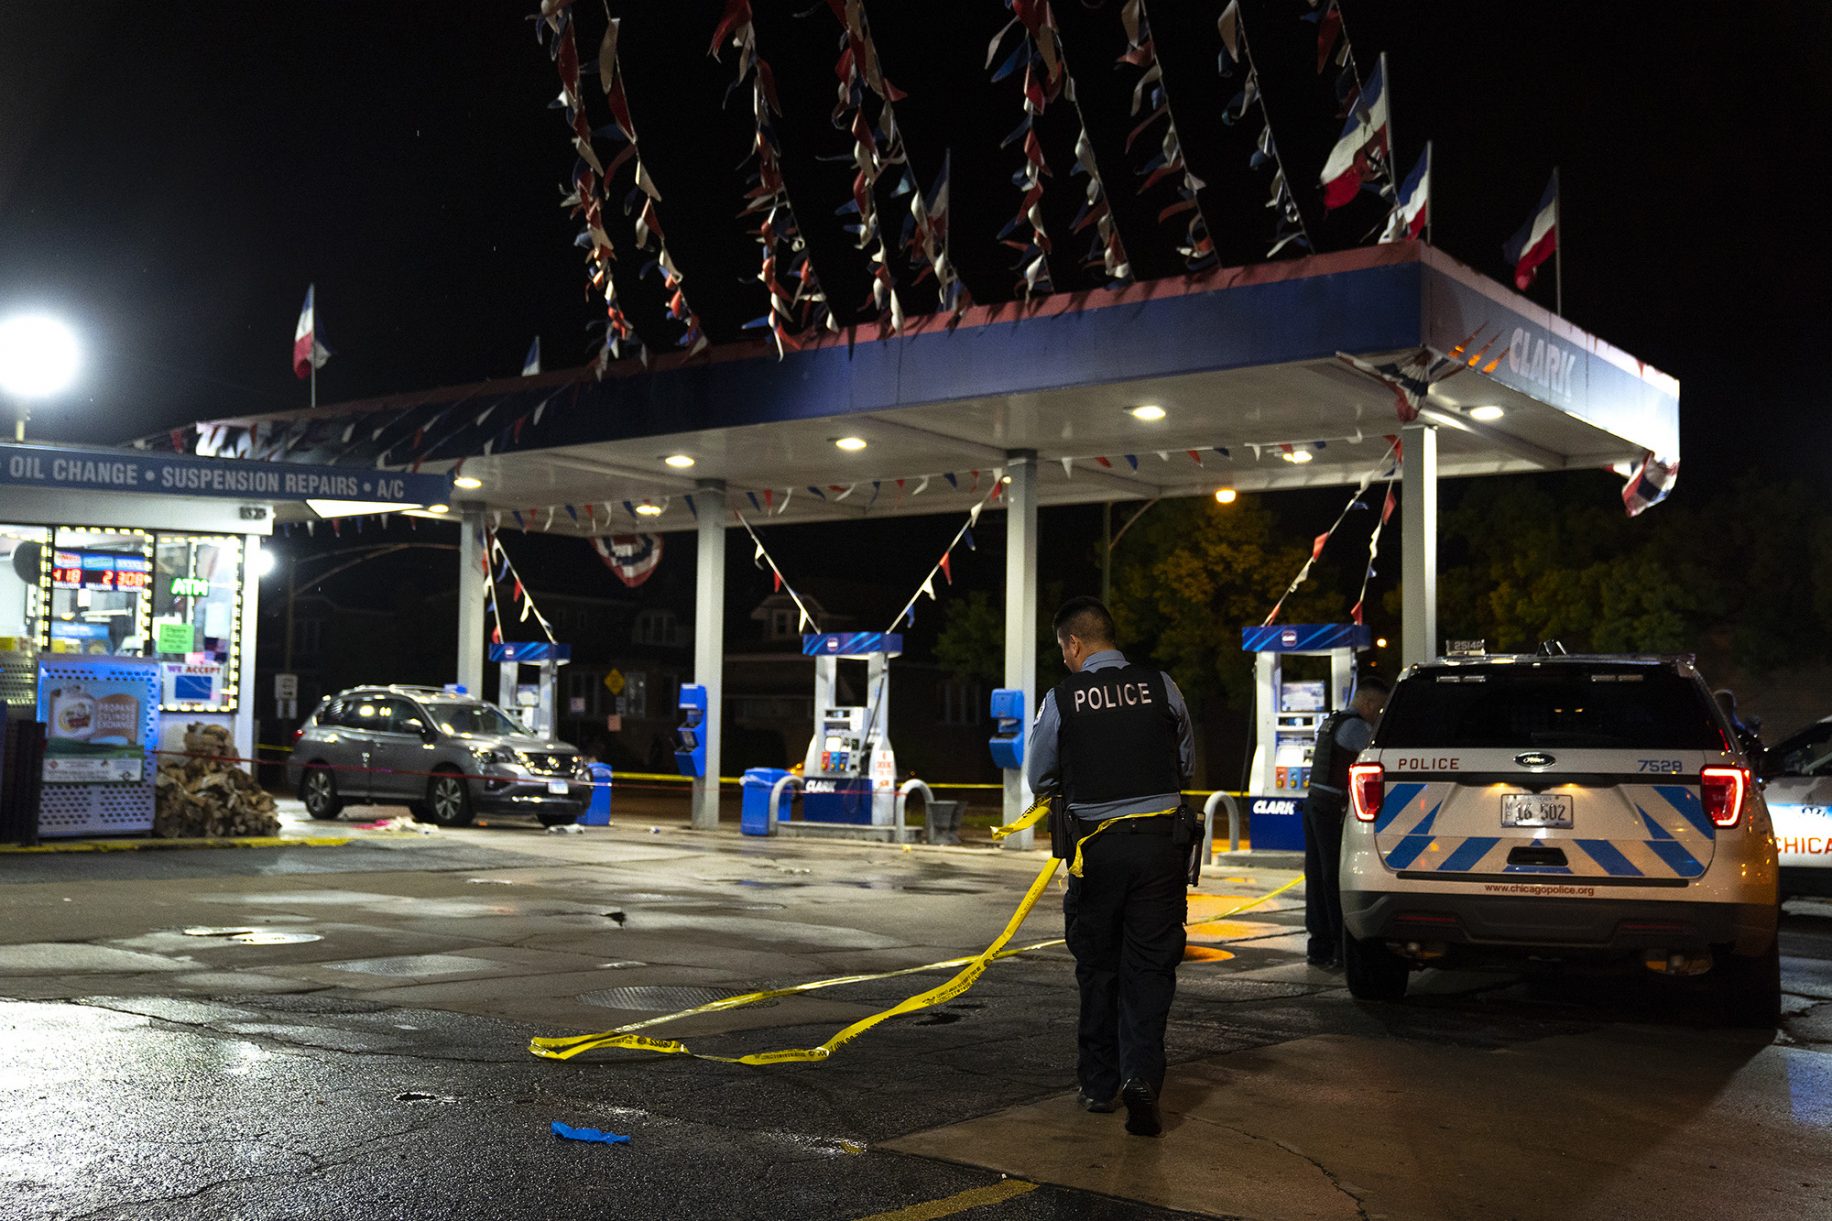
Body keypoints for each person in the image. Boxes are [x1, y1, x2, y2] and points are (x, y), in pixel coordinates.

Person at [1026, 596, 1195, 1138]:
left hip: (1095, 852)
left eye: (1063, 650)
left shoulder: (1063, 697)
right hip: (1160, 847)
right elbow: (1183, 761)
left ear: (1074, 644)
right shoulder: (1162, 684)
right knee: (1150, 967)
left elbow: (1038, 775)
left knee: (1098, 965)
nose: (1065, 660)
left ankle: (1099, 1086)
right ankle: (1141, 1077)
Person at [1302, 675, 1390, 969]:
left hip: (1315, 803)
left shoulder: (1333, 721)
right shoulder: (1356, 727)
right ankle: (1340, 947)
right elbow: (1381, 755)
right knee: (1333, 879)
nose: (1378, 714)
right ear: (1366, 701)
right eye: (1377, 708)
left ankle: (1319, 947)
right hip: (1331, 808)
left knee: (1316, 877)